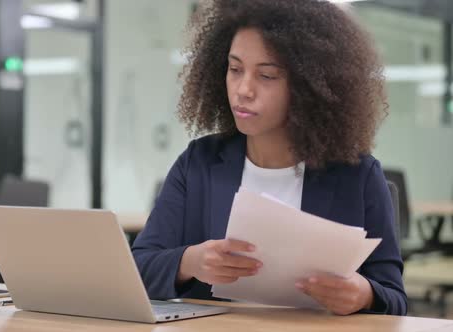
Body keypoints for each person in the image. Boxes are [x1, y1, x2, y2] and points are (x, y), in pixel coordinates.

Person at [131, 0, 407, 316]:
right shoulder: (199, 163)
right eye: (235, 69)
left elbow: (395, 299)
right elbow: (138, 268)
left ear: (308, 86)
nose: (243, 89)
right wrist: (190, 262)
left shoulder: (357, 175)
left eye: (267, 75)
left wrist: (364, 295)